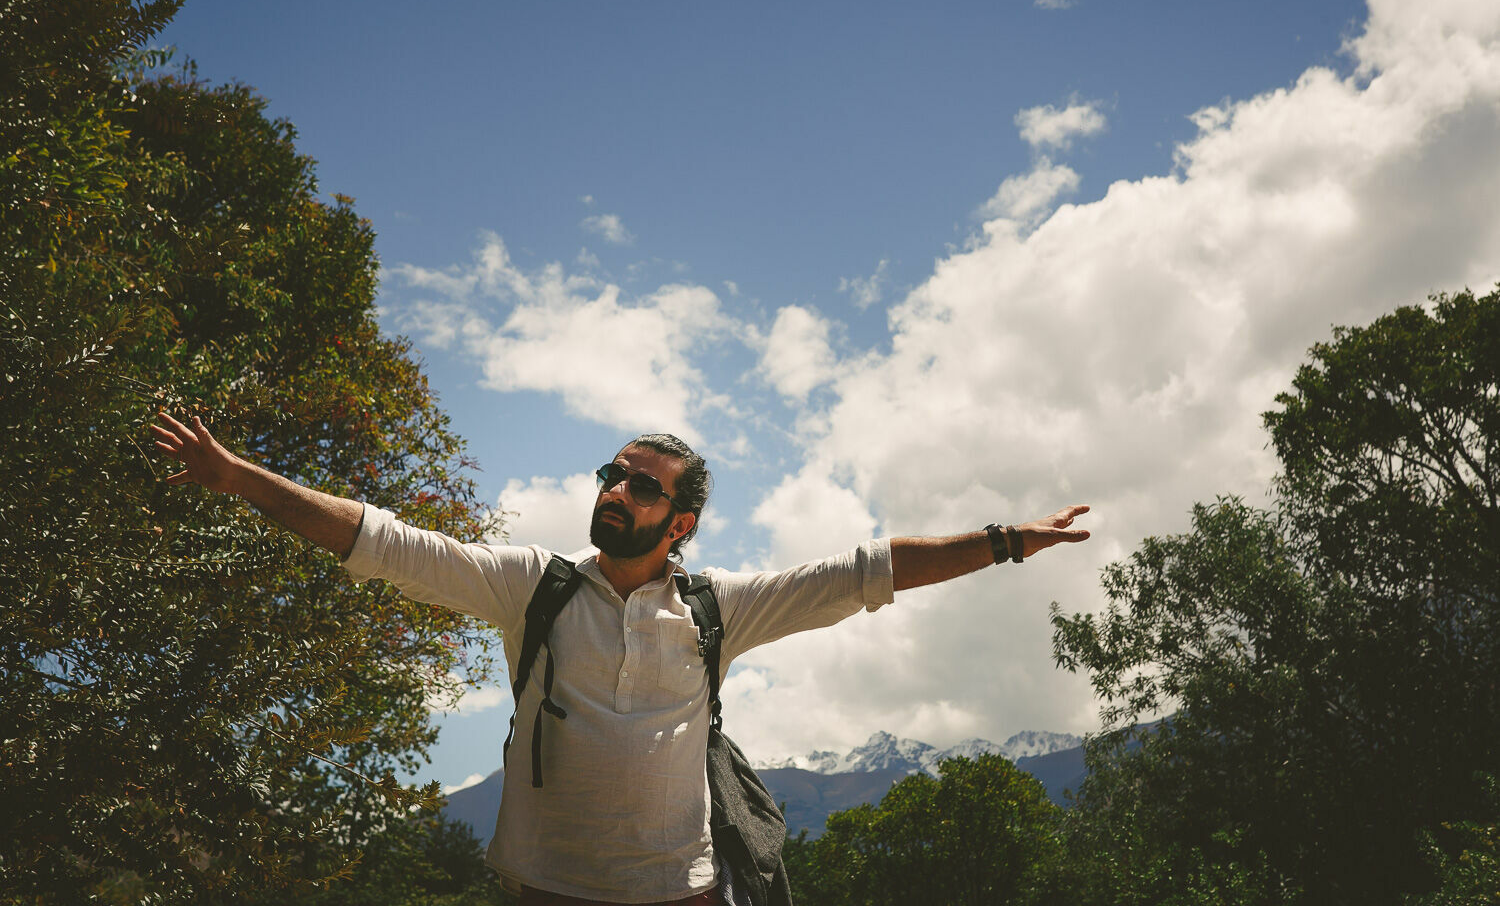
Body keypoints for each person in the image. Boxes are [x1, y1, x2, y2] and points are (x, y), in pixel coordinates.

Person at [151, 411, 1090, 906]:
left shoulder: (721, 607)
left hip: (681, 892)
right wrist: (236, 478)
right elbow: (384, 543)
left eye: (640, 486)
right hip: (549, 886)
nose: (616, 490)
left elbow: (865, 571)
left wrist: (1006, 540)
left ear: (678, 522)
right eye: (611, 474)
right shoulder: (535, 586)